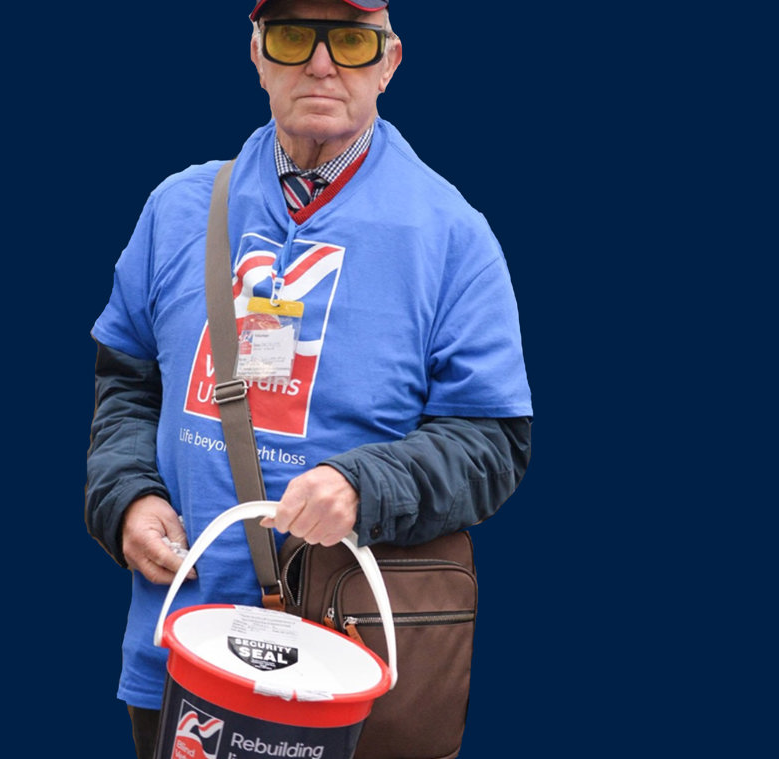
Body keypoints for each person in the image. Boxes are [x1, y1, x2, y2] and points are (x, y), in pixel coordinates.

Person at [85, 2, 533, 756]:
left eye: (352, 42)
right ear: (256, 53)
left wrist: (368, 485)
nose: (321, 65)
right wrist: (127, 496)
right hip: (181, 659)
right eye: (294, 37)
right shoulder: (177, 208)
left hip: (344, 672)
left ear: (390, 62)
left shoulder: (452, 235)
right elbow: (126, 382)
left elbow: (493, 443)